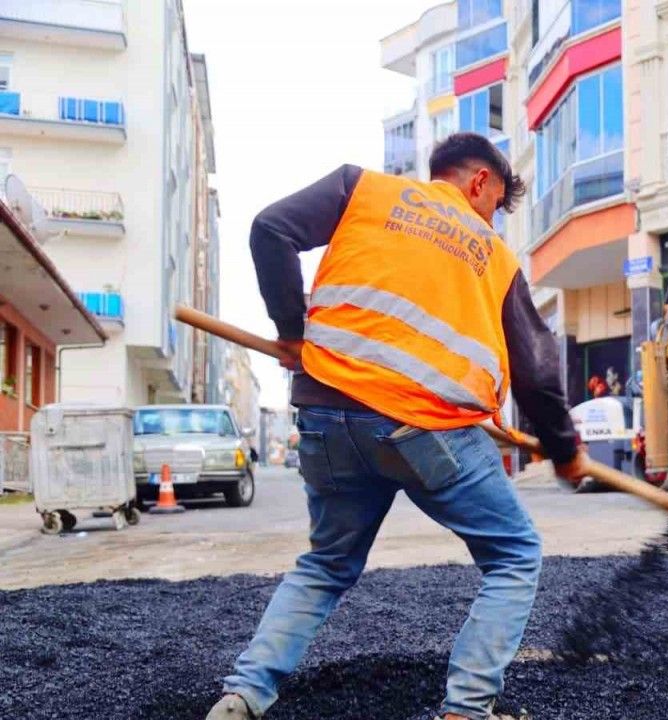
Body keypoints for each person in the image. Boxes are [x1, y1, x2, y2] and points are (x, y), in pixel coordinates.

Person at [206, 133, 589, 720]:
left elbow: (269, 229)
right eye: (493, 207)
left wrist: (291, 329)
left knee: (327, 563)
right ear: (478, 182)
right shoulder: (492, 255)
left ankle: (244, 695)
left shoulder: (361, 189)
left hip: (327, 415)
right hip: (427, 429)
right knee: (513, 555)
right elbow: (537, 370)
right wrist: (564, 449)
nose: (492, 221)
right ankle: (465, 708)